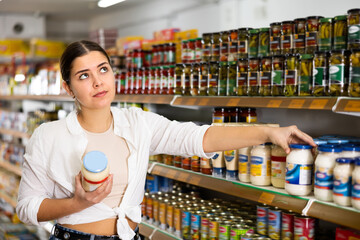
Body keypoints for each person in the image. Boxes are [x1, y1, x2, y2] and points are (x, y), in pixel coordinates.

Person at [16, 40, 316, 240]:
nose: (98, 81)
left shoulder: (138, 122)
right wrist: (76, 203)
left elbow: (199, 137)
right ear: (69, 89)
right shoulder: (49, 136)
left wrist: (268, 131)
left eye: (103, 69)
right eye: (83, 76)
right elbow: (27, 206)